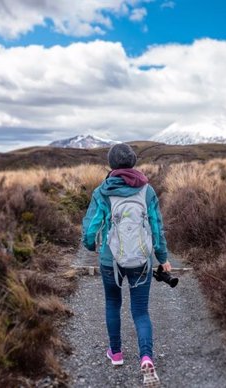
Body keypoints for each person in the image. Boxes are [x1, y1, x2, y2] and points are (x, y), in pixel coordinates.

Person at [81, 143, 170, 387]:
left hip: (111, 260)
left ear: (111, 164)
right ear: (132, 162)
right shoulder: (147, 190)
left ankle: (116, 354)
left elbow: (91, 228)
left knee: (113, 303)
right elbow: (156, 227)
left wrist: (91, 246)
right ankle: (146, 357)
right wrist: (163, 258)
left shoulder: (102, 191)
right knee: (140, 311)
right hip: (141, 260)